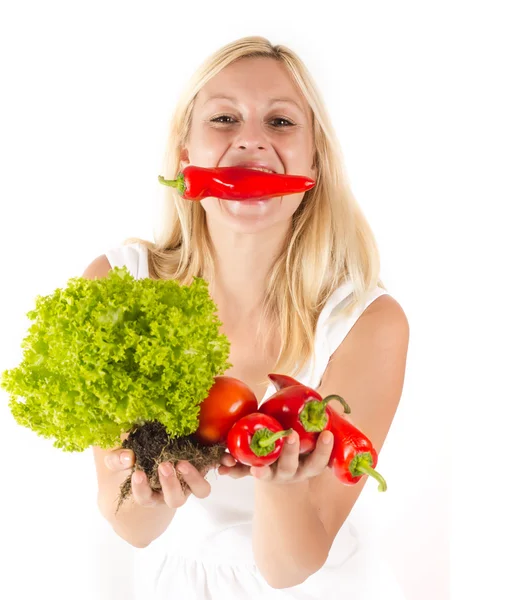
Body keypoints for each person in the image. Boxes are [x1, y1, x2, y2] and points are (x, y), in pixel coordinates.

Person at [85, 36, 410, 600]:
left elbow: (292, 569)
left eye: (281, 122)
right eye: (224, 117)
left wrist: (279, 484)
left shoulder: (369, 322)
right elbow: (131, 528)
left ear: (314, 163)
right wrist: (149, 490)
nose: (252, 140)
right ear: (186, 159)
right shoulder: (117, 288)